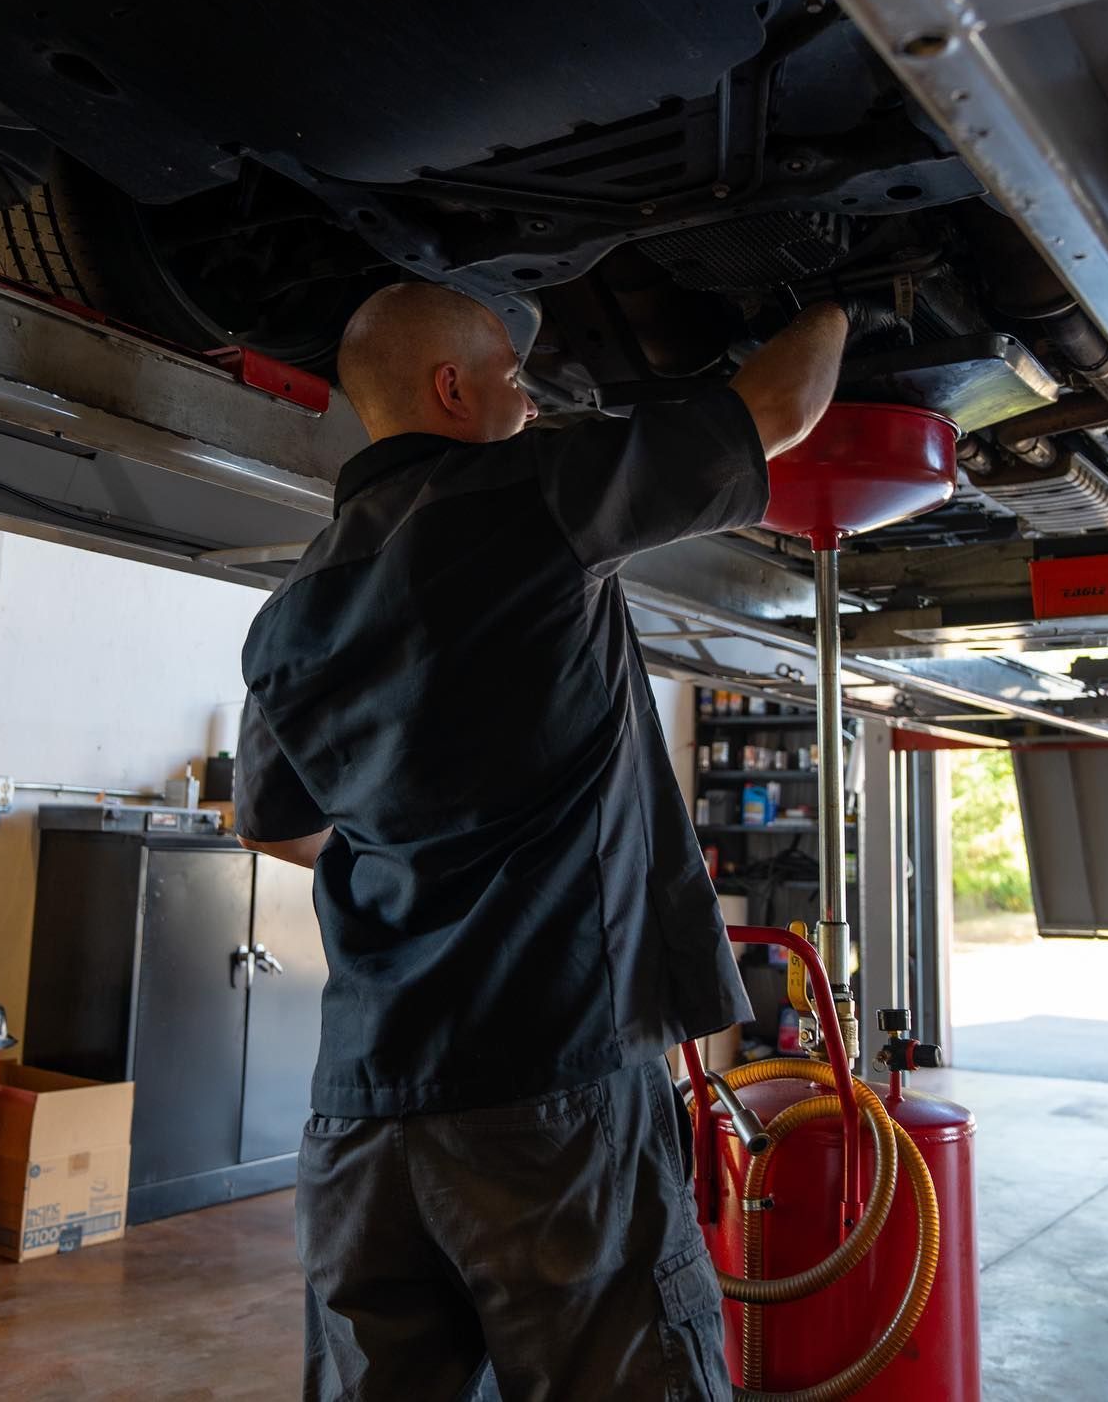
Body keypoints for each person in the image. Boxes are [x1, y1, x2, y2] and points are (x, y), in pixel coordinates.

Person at [236, 284, 850, 1402]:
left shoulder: (289, 607)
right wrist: (844, 291)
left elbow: (272, 824)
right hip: (546, 1090)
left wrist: (418, 843)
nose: (530, 401)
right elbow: (780, 407)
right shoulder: (527, 495)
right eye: (513, 380)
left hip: (362, 1116)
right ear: (450, 386)